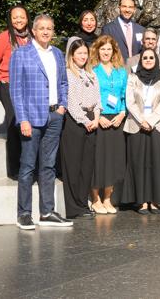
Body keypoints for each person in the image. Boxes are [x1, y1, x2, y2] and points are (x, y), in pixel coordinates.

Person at [9, 13, 71, 229]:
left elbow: (63, 82)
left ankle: (47, 212)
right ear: (33, 31)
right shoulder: (21, 54)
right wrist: (22, 119)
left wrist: (62, 106)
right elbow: (15, 90)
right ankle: (24, 213)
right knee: (27, 166)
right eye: (41, 28)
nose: (46, 31)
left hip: (55, 116)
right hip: (31, 118)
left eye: (49, 28)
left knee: (48, 166)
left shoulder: (57, 53)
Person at [122, 48, 160, 214]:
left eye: (152, 57)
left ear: (156, 60)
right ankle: (142, 201)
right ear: (140, 60)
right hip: (136, 125)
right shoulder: (133, 77)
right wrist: (142, 119)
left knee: (156, 163)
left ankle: (155, 200)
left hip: (157, 125)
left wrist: (150, 121)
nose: (149, 60)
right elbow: (129, 101)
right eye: (145, 58)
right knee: (138, 163)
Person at [0, 5, 31, 180]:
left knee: (28, 122)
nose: (18, 20)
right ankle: (15, 169)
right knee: (14, 120)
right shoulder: (4, 37)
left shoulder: (32, 37)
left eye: (21, 17)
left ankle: (28, 164)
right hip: (7, 83)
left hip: (27, 86)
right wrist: (4, 77)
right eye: (15, 17)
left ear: (27, 18)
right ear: (10, 19)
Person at [60, 37, 100, 219]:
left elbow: (98, 99)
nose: (83, 56)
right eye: (79, 53)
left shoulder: (91, 74)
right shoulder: (68, 74)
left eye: (85, 53)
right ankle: (73, 207)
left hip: (93, 121)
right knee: (73, 166)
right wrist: (85, 121)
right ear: (72, 55)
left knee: (87, 166)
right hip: (76, 122)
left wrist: (96, 118)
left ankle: (83, 203)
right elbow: (71, 102)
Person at [89, 35, 128, 214]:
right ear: (97, 50)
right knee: (98, 160)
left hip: (116, 119)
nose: (106, 52)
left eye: (109, 49)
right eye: (103, 49)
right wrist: (98, 117)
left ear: (114, 52)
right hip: (99, 118)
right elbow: (89, 96)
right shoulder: (92, 70)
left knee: (112, 160)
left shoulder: (121, 71)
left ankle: (107, 198)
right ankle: (95, 198)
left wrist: (122, 113)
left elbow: (124, 95)